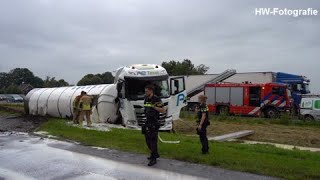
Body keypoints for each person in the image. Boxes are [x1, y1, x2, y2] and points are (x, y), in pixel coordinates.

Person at [143, 84, 166, 166]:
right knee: (147, 139)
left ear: (151, 91)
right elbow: (146, 109)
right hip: (147, 121)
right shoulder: (146, 98)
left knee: (153, 141)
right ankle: (155, 154)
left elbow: (163, 110)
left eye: (147, 91)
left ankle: (153, 159)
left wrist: (154, 107)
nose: (145, 92)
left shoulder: (156, 99)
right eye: (145, 91)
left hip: (154, 122)